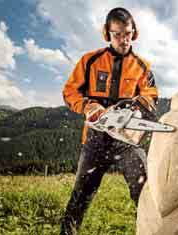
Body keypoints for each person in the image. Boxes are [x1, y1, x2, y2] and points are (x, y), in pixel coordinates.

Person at [60, 7, 158, 235]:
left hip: (126, 139)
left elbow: (151, 96)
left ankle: (153, 230)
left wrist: (133, 108)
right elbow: (69, 92)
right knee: (82, 193)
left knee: (144, 188)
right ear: (107, 33)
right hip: (95, 138)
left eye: (127, 34)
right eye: (117, 34)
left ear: (134, 33)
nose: (123, 40)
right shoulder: (90, 61)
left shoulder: (143, 67)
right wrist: (88, 106)